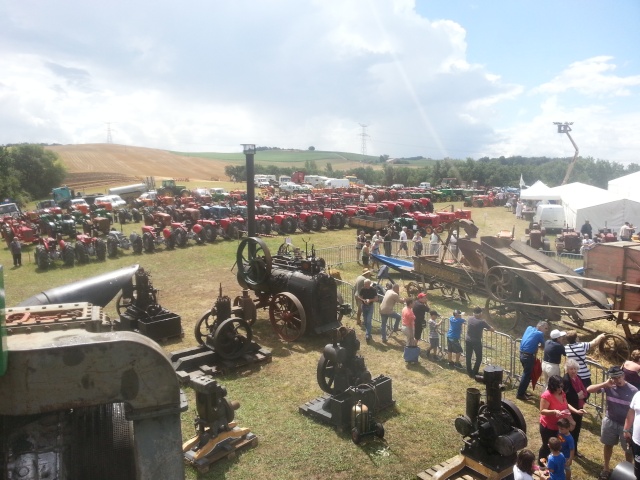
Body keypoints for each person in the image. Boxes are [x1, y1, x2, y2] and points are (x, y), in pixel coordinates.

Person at [587, 365, 637, 478]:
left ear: (623, 375)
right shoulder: (608, 386)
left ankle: (629, 472)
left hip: (626, 425)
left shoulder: (633, 391)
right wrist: (605, 384)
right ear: (611, 378)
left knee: (628, 450)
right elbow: (589, 389)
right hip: (610, 421)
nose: (618, 380)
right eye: (615, 378)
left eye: (619, 377)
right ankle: (606, 468)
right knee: (608, 445)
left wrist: (628, 428)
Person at [539, 375, 581, 466]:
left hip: (559, 427)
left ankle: (553, 465)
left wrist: (576, 411)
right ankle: (542, 466)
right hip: (548, 427)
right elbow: (542, 411)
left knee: (557, 447)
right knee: (547, 447)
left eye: (561, 386)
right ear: (552, 386)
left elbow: (566, 405)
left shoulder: (562, 393)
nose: (560, 388)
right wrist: (554, 411)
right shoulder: (546, 396)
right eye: (558, 386)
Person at [517, 321, 550, 401]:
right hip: (528, 356)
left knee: (527, 375)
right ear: (540, 327)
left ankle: (523, 391)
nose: (546, 330)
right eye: (545, 328)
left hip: (522, 354)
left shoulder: (529, 328)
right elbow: (543, 345)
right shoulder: (539, 334)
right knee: (526, 376)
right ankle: (520, 394)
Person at [562, 358, 588, 458]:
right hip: (570, 408)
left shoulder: (578, 378)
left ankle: (575, 449)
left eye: (575, 369)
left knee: (577, 429)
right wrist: (577, 395)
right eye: (571, 369)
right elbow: (568, 395)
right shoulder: (566, 380)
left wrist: (581, 395)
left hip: (579, 407)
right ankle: (567, 450)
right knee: (569, 430)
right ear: (567, 370)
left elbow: (584, 391)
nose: (573, 371)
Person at [465, 307, 494, 378]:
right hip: (476, 341)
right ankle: (475, 372)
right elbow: (492, 329)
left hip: (468, 339)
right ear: (480, 313)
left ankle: (469, 371)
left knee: (468, 356)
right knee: (479, 357)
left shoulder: (469, 318)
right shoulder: (482, 322)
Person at [623, 389, 640, 479]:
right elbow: (631, 412)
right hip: (637, 442)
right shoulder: (638, 395)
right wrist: (626, 429)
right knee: (638, 470)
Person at [358, 278, 378, 342]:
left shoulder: (373, 290)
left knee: (369, 320)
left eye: (365, 284)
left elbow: (376, 299)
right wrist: (363, 300)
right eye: (364, 284)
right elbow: (359, 296)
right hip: (364, 306)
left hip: (370, 307)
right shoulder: (363, 289)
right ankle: (368, 332)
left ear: (369, 284)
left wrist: (370, 300)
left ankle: (368, 335)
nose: (364, 285)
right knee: (366, 321)